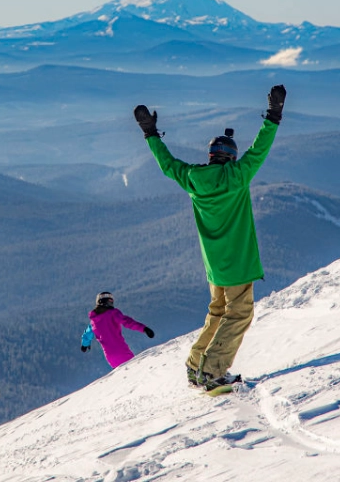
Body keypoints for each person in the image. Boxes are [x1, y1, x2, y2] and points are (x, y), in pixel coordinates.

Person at [133, 85, 286, 391]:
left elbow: (167, 164)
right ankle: (213, 371)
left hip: (214, 267)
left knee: (218, 312)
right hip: (238, 264)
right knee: (239, 313)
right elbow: (260, 149)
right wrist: (273, 115)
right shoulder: (237, 177)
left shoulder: (192, 179)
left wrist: (150, 133)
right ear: (231, 157)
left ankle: (195, 365)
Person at [80, 291, 155, 368]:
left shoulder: (93, 321)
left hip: (110, 357)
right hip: (123, 352)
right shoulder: (113, 313)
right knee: (136, 371)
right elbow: (127, 321)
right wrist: (144, 328)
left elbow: (87, 334)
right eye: (109, 301)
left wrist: (84, 344)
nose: (111, 303)